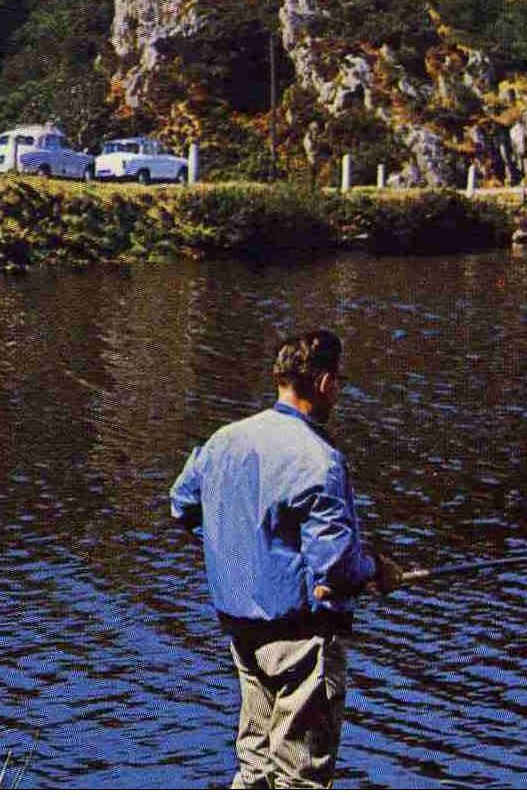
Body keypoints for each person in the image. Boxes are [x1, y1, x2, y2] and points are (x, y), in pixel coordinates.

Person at [170, 328, 402, 789]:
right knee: (301, 778)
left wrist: (237, 549)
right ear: (323, 384)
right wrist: (377, 568)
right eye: (337, 380)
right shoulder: (319, 460)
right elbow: (335, 568)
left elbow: (182, 504)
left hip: (242, 629)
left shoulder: (224, 440)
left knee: (254, 766)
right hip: (302, 639)